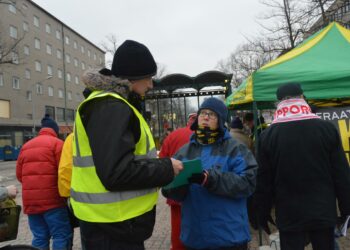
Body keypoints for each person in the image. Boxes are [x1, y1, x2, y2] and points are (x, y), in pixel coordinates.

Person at [69, 40, 183, 250]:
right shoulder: (111, 106)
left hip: (112, 223)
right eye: (148, 77)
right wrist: (167, 167)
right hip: (112, 226)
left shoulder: (112, 104)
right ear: (134, 77)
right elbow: (117, 173)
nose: (150, 84)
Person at [255, 83, 350, 250]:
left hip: (289, 214)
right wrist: (346, 208)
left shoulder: (267, 136)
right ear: (302, 97)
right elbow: (341, 174)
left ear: (279, 102)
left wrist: (262, 212)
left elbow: (264, 180)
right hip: (323, 211)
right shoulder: (326, 128)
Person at [162, 97, 258, 250]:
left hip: (229, 238)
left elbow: (248, 183)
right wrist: (176, 184)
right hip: (195, 237)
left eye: (212, 114)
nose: (206, 117)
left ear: (220, 120)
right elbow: (170, 190)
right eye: (203, 113)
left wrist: (210, 179)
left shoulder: (235, 149)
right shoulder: (184, 151)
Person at [16, 114, 72, 250]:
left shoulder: (26, 146)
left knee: (39, 236)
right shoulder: (58, 144)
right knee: (60, 235)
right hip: (53, 202)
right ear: (55, 130)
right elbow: (64, 172)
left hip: (31, 203)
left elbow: (19, 175)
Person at [159, 113, 197, 250]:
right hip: (201, 190)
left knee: (178, 229)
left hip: (176, 191)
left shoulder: (174, 135)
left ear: (188, 121)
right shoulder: (206, 136)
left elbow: (162, 160)